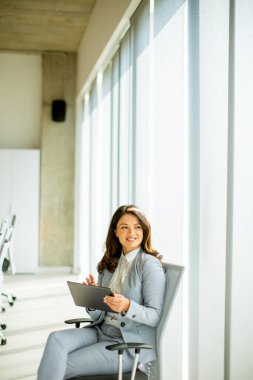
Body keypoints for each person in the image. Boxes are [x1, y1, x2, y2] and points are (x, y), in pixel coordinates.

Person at [37, 204, 166, 380]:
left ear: (144, 231)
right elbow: (98, 315)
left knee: (60, 365)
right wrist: (92, 298)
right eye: (124, 227)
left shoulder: (149, 265)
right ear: (115, 231)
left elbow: (154, 316)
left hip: (125, 343)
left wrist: (127, 306)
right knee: (56, 340)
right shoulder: (110, 264)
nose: (131, 233)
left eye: (137, 227)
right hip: (100, 330)